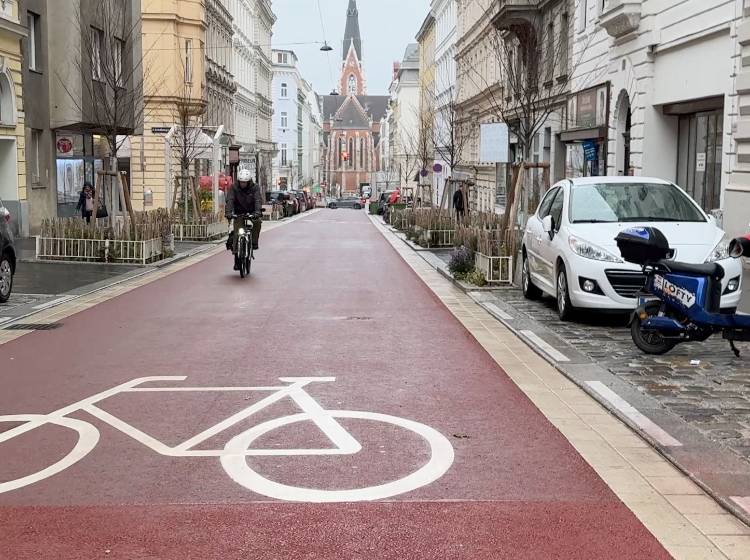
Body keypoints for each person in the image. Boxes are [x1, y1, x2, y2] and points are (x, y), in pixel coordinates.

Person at [225, 169, 263, 267]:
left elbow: (258, 200)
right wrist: (229, 213)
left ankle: (254, 242)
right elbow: (230, 200)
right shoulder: (234, 187)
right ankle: (237, 258)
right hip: (239, 213)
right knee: (237, 232)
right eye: (241, 182)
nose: (243, 184)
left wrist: (257, 212)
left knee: (258, 222)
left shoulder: (255, 188)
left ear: (249, 181)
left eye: (245, 182)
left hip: (252, 212)